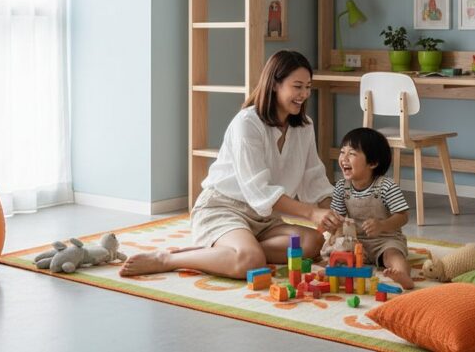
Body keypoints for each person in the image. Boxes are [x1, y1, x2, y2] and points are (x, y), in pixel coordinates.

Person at [120, 50, 340, 278]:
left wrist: (336, 215)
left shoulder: (304, 127)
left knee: (314, 242)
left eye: (308, 87)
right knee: (250, 262)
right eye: (297, 86)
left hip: (265, 219)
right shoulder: (247, 123)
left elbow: (314, 177)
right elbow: (259, 190)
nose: (304, 94)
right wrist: (311, 213)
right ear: (275, 84)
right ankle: (168, 259)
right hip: (224, 208)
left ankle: (231, 250)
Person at [330, 127, 414, 289]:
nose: (344, 158)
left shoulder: (386, 186)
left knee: (392, 255)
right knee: (337, 254)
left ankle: (403, 275)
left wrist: (382, 225)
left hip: (385, 240)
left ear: (373, 162)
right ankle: (342, 276)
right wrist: (337, 233)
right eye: (342, 152)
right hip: (355, 240)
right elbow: (338, 218)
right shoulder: (341, 186)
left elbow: (403, 216)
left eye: (352, 153)